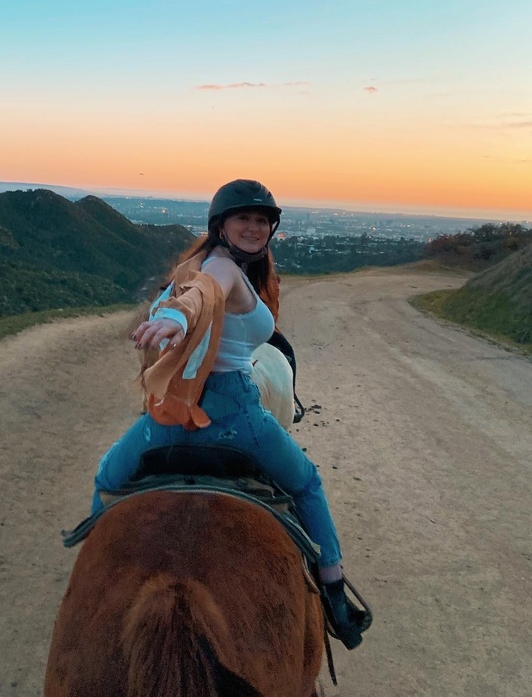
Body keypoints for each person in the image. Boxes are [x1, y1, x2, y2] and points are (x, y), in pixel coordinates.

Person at [92, 179, 370, 650]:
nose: (254, 227)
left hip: (168, 426)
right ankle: (335, 596)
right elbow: (207, 293)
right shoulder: (224, 269)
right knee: (306, 483)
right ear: (221, 225)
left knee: (106, 477)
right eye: (244, 218)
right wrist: (180, 316)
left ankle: (99, 578)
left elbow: (195, 289)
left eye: (262, 220)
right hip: (239, 421)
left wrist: (173, 314)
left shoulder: (191, 266)